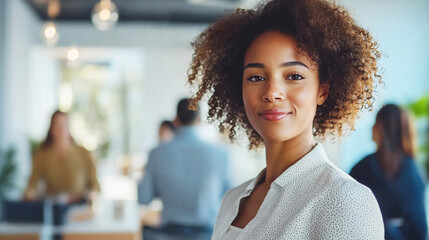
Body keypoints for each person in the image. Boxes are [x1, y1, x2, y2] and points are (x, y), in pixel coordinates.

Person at [187, 0, 384, 238]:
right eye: (256, 78)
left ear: (322, 90)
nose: (272, 92)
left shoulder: (345, 200)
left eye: (294, 75)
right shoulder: (232, 199)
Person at [138, 98, 232, 240]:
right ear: (200, 120)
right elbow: (231, 198)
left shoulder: (156, 153)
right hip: (209, 235)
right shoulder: (221, 154)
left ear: (175, 120)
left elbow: (143, 198)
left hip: (167, 235)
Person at [350, 104, 427, 240]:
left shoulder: (411, 174)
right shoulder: (362, 168)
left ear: (383, 127)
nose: (371, 128)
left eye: (375, 123)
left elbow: (419, 230)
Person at [24, 110, 100, 203]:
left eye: (64, 125)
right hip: (53, 207)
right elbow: (32, 185)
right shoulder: (42, 155)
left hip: (79, 208)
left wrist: (90, 197)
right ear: (51, 129)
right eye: (57, 126)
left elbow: (95, 187)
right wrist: (30, 195)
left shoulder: (84, 153)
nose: (61, 130)